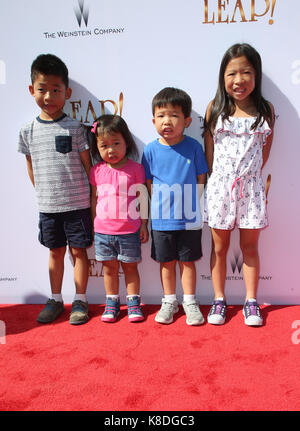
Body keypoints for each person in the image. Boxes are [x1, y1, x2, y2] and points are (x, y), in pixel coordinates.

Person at [18, 54, 93, 325]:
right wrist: (45, 194)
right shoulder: (27, 131)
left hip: (77, 205)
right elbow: (31, 167)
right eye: (42, 89)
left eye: (55, 90)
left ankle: (81, 300)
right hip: (48, 207)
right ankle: (56, 299)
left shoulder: (75, 128)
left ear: (67, 93)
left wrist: (92, 201)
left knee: (79, 252)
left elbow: (88, 167)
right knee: (55, 252)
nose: (48, 96)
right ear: (31, 90)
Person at [203, 43, 275, 326]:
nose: (238, 79)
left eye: (246, 72)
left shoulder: (265, 110)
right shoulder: (215, 108)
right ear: (223, 77)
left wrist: (250, 178)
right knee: (219, 248)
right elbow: (209, 150)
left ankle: (251, 301)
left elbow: (265, 152)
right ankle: (219, 300)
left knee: (250, 248)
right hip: (220, 188)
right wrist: (218, 179)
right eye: (232, 73)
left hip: (252, 190)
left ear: (256, 76)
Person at [142, 87, 208, 325]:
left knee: (187, 262)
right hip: (161, 220)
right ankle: (169, 300)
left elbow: (201, 177)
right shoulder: (149, 150)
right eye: (160, 116)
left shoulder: (194, 147)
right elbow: (148, 183)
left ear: (187, 120)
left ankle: (190, 301)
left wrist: (192, 202)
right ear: (153, 120)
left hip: (189, 217)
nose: (166, 121)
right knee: (166, 263)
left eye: (174, 115)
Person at [89, 115, 149, 322]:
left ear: (127, 142)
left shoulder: (136, 169)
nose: (111, 150)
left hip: (129, 231)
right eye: (104, 145)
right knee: (109, 269)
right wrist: (92, 224)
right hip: (103, 232)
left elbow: (143, 198)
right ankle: (112, 303)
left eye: (116, 143)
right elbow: (93, 198)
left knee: (130, 268)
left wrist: (143, 224)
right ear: (97, 147)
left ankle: (133, 303)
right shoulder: (96, 171)